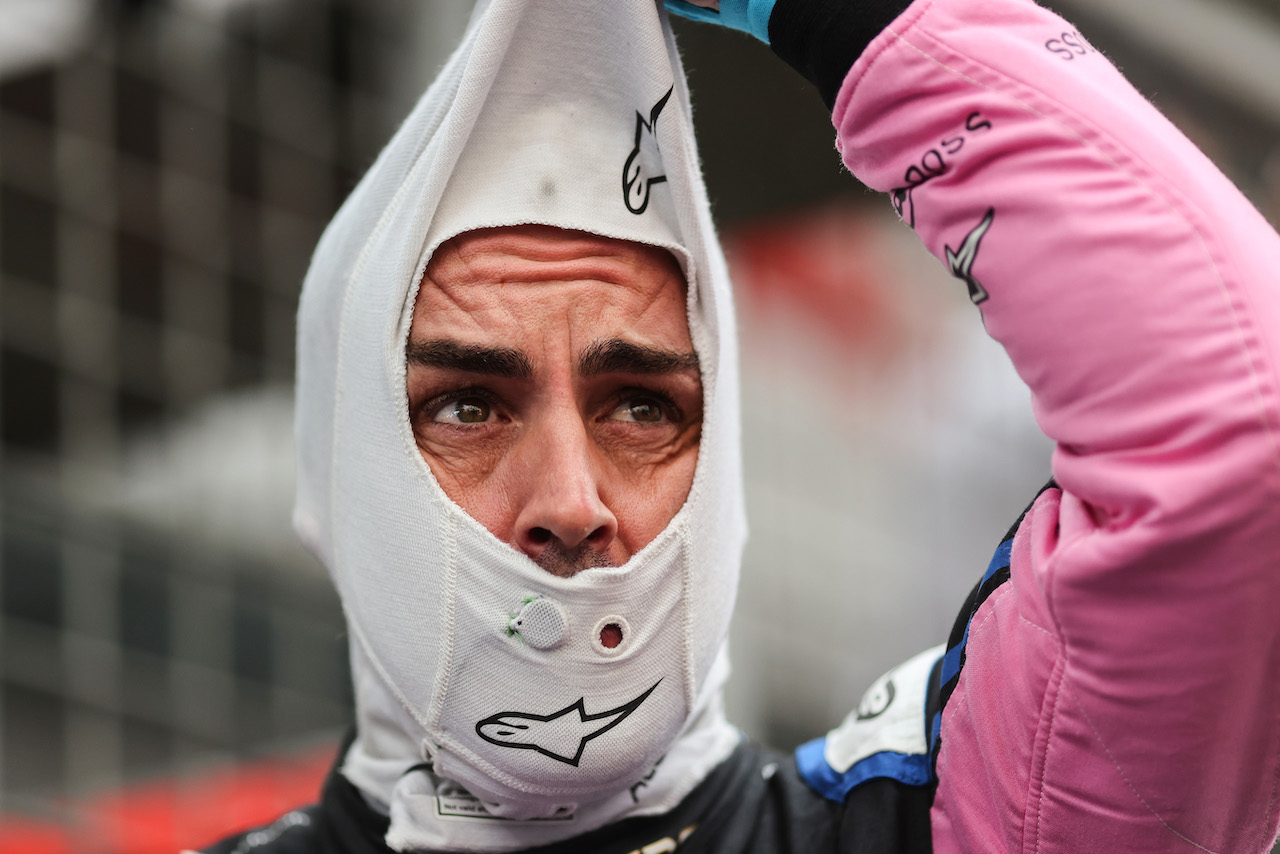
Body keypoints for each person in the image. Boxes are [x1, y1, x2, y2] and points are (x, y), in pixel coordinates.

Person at [194, 0, 1280, 851]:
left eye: (641, 407)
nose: (571, 502)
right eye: (468, 406)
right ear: (341, 473)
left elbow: (1236, 433)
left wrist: (858, 19)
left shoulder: (921, 828)